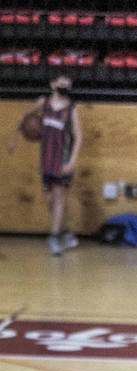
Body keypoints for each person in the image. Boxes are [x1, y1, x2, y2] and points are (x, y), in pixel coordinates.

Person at [6, 72, 82, 255]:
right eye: (61, 81)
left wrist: (72, 161)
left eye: (67, 82)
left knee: (59, 197)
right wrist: (13, 137)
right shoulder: (43, 104)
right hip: (46, 159)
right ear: (53, 84)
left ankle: (54, 237)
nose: (64, 84)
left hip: (62, 159)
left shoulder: (71, 109)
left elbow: (79, 137)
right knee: (50, 201)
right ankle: (64, 232)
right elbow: (26, 118)